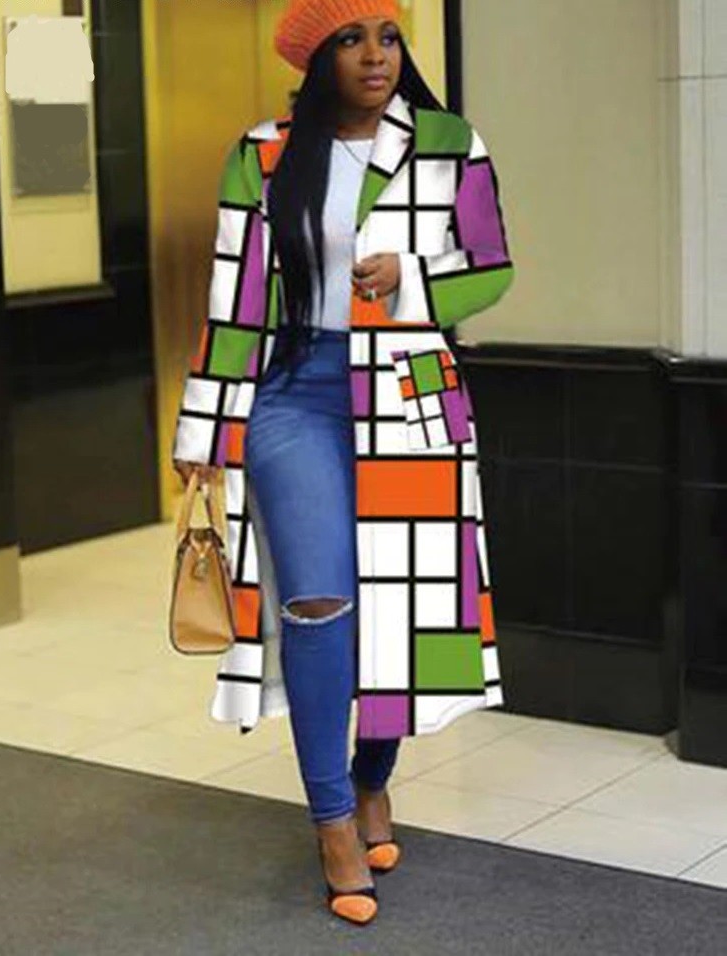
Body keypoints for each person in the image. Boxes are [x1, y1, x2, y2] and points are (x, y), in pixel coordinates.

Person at [173, 0, 514, 926]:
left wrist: (412, 276)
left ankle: (372, 780)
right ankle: (331, 820)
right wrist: (204, 430)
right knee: (318, 604)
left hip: (409, 390)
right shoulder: (265, 152)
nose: (375, 56)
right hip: (295, 394)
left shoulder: (449, 143)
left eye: (388, 37)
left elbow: (493, 266)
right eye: (351, 40)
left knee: (404, 601)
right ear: (316, 59)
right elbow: (234, 296)